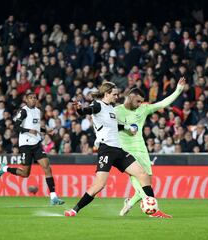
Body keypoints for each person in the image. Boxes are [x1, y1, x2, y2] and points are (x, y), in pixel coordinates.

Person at [64, 82, 155, 217]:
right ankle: (74, 210)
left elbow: (114, 126)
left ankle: (153, 209)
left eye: (117, 94)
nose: (117, 96)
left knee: (143, 174)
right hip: (106, 149)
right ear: (106, 94)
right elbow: (85, 111)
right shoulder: (97, 105)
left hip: (118, 149)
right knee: (99, 185)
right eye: (114, 94)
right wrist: (79, 109)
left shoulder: (111, 109)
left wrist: (127, 127)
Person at [114, 77, 186, 218]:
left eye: (141, 101)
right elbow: (106, 126)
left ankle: (129, 203)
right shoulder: (116, 111)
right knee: (136, 175)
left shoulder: (143, 109)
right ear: (131, 97)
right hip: (125, 150)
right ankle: (154, 211)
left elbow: (162, 103)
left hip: (141, 148)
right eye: (138, 101)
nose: (140, 103)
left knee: (147, 181)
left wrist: (178, 90)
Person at [0, 92, 64, 205]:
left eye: (35, 98)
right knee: (25, 174)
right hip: (25, 145)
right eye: (31, 98)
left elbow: (36, 128)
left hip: (36, 143)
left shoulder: (38, 111)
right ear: (26, 100)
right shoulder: (23, 111)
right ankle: (4, 169)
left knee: (47, 166)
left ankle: (53, 197)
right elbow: (16, 127)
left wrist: (46, 130)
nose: (33, 99)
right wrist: (28, 130)